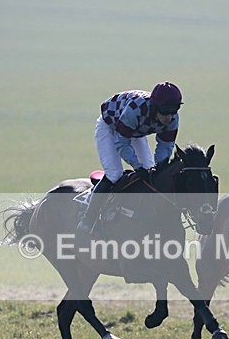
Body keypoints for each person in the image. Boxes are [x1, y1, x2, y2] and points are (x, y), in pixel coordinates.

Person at [77, 82, 183, 233]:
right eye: (166, 111)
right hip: (110, 126)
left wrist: (159, 168)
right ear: (155, 106)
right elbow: (121, 143)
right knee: (114, 174)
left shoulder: (173, 119)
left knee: (151, 172)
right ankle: (88, 219)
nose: (169, 117)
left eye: (174, 110)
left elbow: (165, 146)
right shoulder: (136, 110)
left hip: (134, 131)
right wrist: (136, 166)